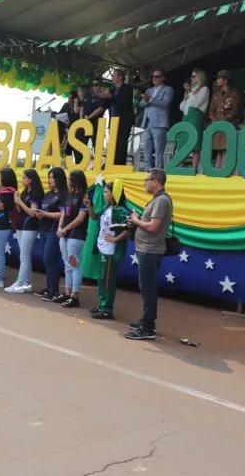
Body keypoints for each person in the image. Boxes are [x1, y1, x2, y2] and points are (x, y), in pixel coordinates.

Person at [125, 168, 173, 341]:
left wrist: (137, 221)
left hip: (151, 250)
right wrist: (137, 219)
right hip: (146, 249)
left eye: (147, 179)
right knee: (146, 287)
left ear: (156, 181)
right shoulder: (157, 200)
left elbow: (153, 227)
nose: (144, 182)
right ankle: (146, 321)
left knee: (148, 288)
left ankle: (148, 327)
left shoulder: (161, 201)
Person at [86, 180, 129, 320]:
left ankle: (106, 309)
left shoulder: (120, 210)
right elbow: (94, 216)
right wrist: (89, 207)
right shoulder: (106, 207)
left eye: (106, 192)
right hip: (101, 247)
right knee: (101, 278)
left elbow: (128, 229)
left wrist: (116, 239)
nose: (104, 195)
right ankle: (101, 303)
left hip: (110, 250)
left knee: (107, 280)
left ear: (114, 194)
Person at [7, 169, 44, 294]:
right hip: (21, 225)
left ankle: (21, 282)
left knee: (24, 256)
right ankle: (27, 283)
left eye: (24, 178)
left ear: (30, 179)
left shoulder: (35, 193)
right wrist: (16, 199)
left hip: (30, 226)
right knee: (24, 255)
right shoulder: (24, 192)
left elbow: (33, 213)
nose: (22, 180)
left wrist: (20, 202)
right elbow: (19, 210)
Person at [55, 170, 89, 308]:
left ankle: (75, 296)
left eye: (71, 179)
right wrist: (59, 227)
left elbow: (81, 218)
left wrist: (66, 228)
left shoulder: (83, 196)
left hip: (76, 235)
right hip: (65, 234)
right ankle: (67, 292)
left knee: (74, 265)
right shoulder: (70, 196)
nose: (68, 181)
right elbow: (63, 214)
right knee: (67, 265)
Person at [35, 167, 67, 301]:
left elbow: (62, 214)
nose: (50, 180)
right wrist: (39, 214)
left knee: (49, 258)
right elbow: (43, 209)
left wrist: (46, 214)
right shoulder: (48, 194)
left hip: (55, 230)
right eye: (49, 177)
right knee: (46, 259)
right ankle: (49, 287)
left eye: (52, 177)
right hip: (44, 228)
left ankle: (54, 290)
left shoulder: (64, 195)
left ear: (59, 179)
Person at [138, 69, 173, 170]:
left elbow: (165, 104)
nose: (154, 78)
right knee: (147, 147)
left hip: (160, 122)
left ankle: (158, 170)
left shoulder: (168, 89)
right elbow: (141, 104)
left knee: (159, 149)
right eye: (153, 77)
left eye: (157, 76)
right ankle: (147, 168)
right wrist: (146, 100)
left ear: (163, 78)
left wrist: (150, 99)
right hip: (147, 121)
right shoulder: (149, 90)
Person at [179, 68, 210, 170]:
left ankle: (194, 168)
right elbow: (182, 107)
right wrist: (186, 96)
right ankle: (180, 166)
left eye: (193, 77)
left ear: (199, 77)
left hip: (195, 118)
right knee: (183, 142)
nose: (191, 79)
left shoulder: (204, 89)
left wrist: (192, 92)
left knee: (195, 144)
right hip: (186, 117)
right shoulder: (191, 91)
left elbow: (196, 104)